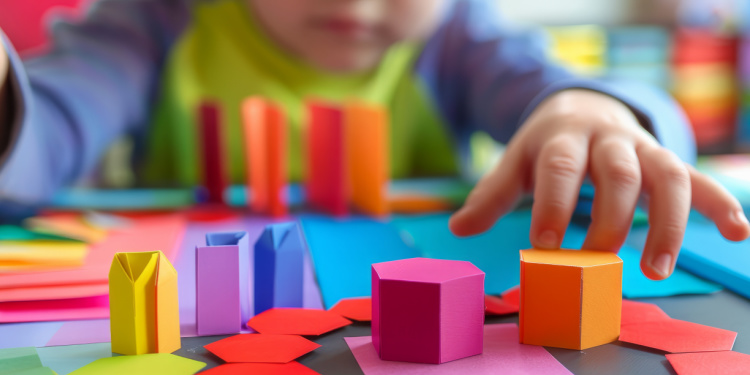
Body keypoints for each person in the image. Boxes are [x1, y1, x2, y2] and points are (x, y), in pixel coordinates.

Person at [0, 0, 747, 280]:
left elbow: (566, 102)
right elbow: (46, 128)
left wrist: (603, 119)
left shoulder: (459, 36)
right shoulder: (153, 20)